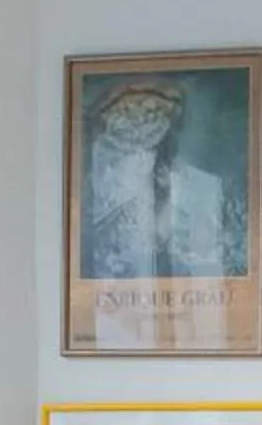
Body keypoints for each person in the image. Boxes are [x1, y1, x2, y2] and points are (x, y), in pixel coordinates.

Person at [84, 80, 225, 280]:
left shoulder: (201, 188)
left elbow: (206, 266)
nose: (140, 133)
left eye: (150, 124)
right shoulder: (109, 193)